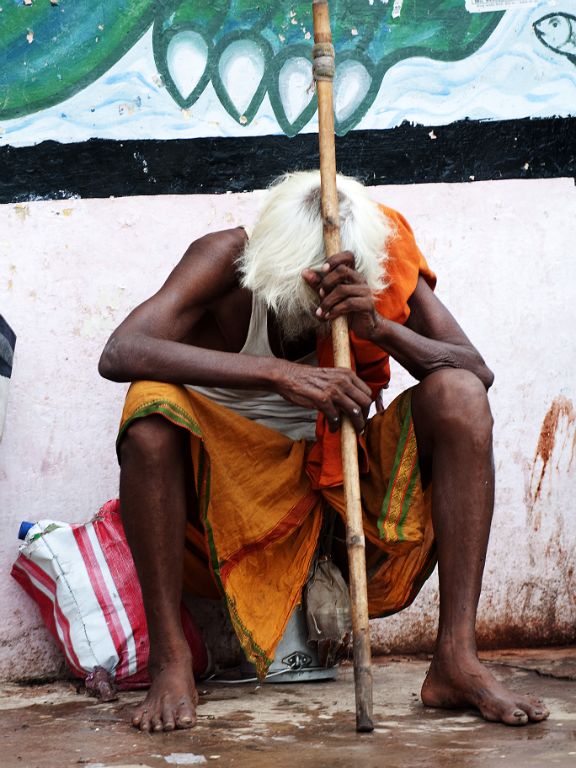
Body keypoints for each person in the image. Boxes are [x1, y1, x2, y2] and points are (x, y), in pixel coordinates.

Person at [99, 171, 549, 732]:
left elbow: (474, 370)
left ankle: (457, 657)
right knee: (149, 411)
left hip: (332, 507)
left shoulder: (378, 262)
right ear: (275, 265)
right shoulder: (224, 258)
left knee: (458, 395)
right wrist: (278, 373)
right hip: (220, 501)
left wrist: (378, 325)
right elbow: (121, 351)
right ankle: (172, 660)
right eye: (307, 285)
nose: (318, 299)